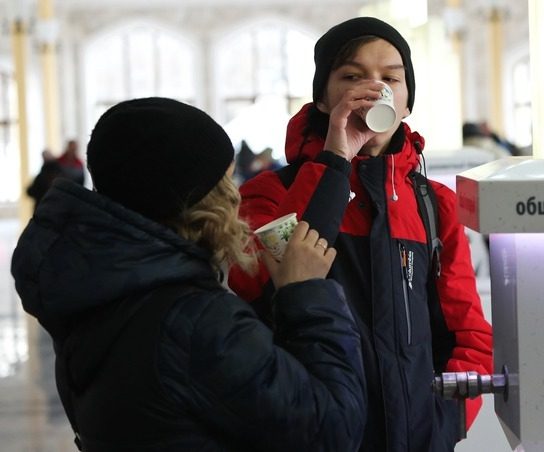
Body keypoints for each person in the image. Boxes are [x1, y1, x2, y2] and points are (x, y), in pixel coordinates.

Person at [11, 97, 366, 451]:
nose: (236, 199)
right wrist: (306, 293)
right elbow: (331, 430)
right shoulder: (196, 322)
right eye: (226, 181)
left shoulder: (97, 287)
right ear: (201, 200)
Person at [228, 17, 493, 451]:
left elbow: (470, 334)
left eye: (390, 78)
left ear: (406, 103)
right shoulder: (269, 193)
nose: (372, 88)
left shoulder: (432, 203)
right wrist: (335, 160)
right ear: (321, 98)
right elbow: (251, 280)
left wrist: (447, 421)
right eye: (351, 77)